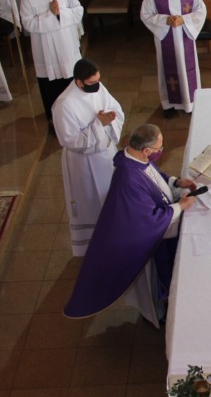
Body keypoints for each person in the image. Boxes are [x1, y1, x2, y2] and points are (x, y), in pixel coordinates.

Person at [64, 124, 198, 327]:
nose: (160, 152)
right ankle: (156, 314)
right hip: (140, 244)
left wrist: (176, 183)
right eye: (159, 149)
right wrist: (180, 206)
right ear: (146, 150)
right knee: (150, 285)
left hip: (144, 232)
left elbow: (154, 178)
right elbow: (148, 221)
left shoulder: (134, 159)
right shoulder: (128, 178)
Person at [51, 59, 125, 257]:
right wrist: (98, 124)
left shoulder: (97, 88)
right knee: (91, 201)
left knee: (110, 195)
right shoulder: (64, 104)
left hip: (106, 153)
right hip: (84, 162)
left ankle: (114, 235)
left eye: (99, 80)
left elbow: (115, 108)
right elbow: (69, 139)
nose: (97, 86)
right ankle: (95, 245)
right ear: (79, 82)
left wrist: (111, 118)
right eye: (92, 83)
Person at [20, 0, 84, 127]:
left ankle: (76, 115)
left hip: (66, 44)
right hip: (44, 49)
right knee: (51, 86)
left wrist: (60, 14)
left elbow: (78, 10)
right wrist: (50, 15)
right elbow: (27, 23)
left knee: (71, 81)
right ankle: (55, 120)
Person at [139, 0, 207, 118]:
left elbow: (201, 11)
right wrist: (165, 20)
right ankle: (168, 104)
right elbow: (145, 14)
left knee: (188, 69)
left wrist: (185, 19)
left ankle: (191, 103)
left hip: (185, 35)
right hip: (165, 37)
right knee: (167, 70)